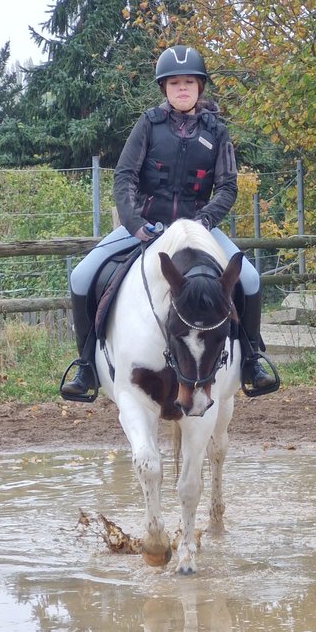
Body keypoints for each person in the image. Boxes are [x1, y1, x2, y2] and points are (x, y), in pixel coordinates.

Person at [60, 44, 280, 401]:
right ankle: (85, 365)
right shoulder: (148, 124)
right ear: (165, 87)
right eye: (175, 82)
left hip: (199, 230)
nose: (182, 88)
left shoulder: (216, 132)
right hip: (148, 225)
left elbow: (227, 186)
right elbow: (124, 177)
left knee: (250, 280)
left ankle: (253, 360)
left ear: (200, 88)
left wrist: (205, 221)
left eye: (189, 83)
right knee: (82, 275)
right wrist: (134, 224)